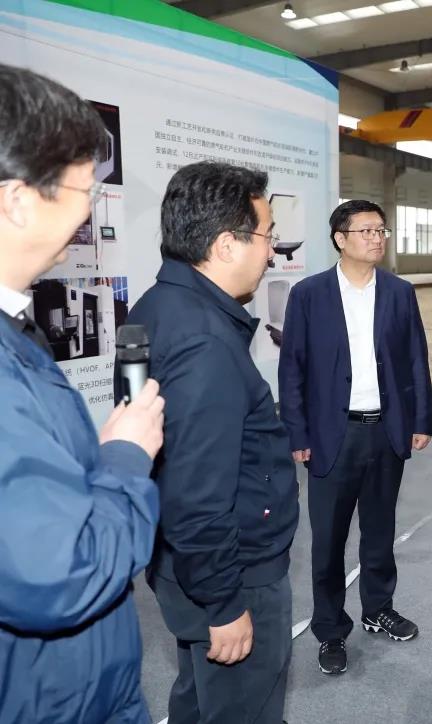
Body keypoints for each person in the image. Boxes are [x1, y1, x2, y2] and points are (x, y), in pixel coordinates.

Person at [0, 64, 164, 723]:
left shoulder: (16, 326)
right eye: (83, 188)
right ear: (18, 201)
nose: (91, 208)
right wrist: (125, 458)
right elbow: (61, 573)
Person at [126, 161, 299, 724]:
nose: (272, 253)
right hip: (232, 572)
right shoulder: (204, 341)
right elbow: (199, 494)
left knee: (200, 697)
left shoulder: (156, 307)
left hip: (182, 561)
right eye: (268, 236)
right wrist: (225, 604)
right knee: (242, 707)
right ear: (227, 244)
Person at [279, 199, 432, 676]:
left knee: (380, 530)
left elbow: (416, 359)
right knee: (328, 540)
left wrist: (421, 420)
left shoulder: (399, 292)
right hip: (333, 434)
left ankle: (378, 608)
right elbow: (292, 369)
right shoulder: (309, 294)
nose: (376, 238)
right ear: (340, 239)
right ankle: (330, 629)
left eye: (380, 230)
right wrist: (297, 431)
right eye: (365, 230)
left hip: (386, 430)